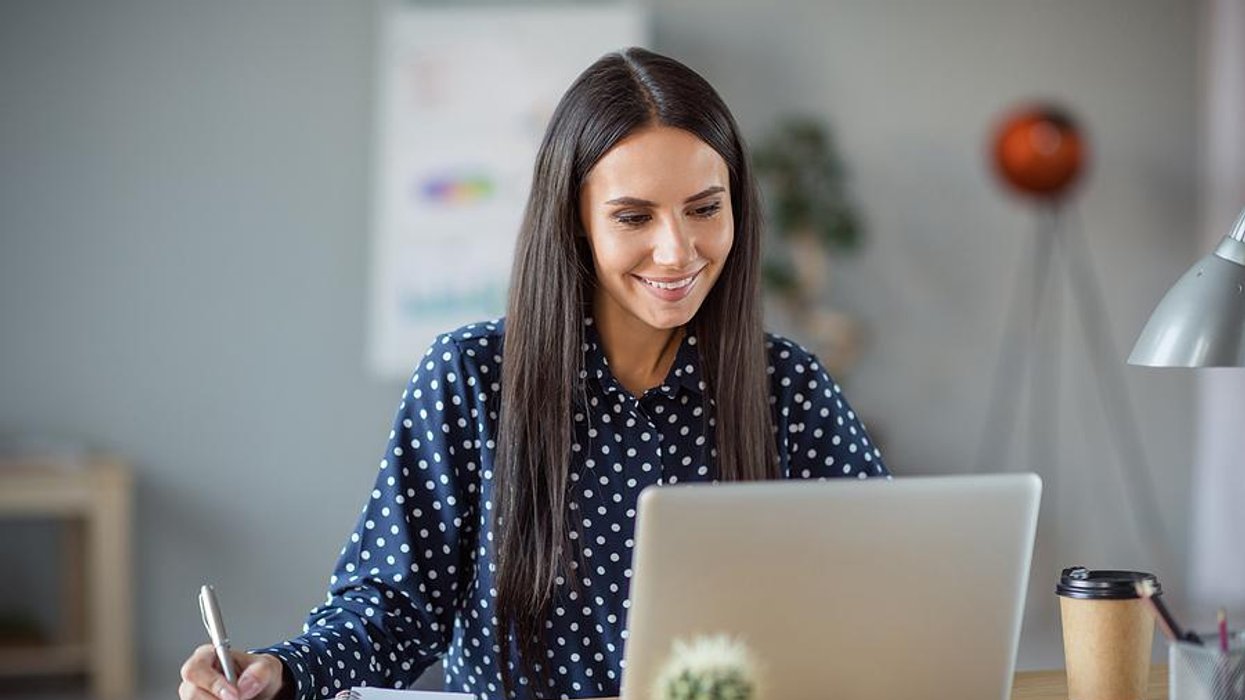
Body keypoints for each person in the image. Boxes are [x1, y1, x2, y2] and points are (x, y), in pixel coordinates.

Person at [178, 46, 888, 700]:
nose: (677, 251)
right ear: (575, 219)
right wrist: (286, 670)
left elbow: (886, 588)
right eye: (633, 217)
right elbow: (393, 607)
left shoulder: (787, 388)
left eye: (704, 209)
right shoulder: (471, 378)